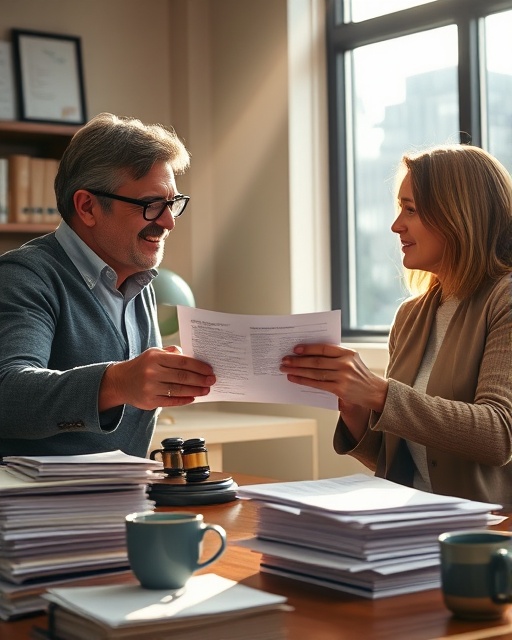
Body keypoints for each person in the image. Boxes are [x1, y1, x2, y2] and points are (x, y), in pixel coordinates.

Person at [280, 144, 512, 506]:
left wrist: (378, 393)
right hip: (413, 519)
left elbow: (498, 435)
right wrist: (356, 409)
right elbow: (402, 461)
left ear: (459, 216)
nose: (396, 225)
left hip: (484, 532)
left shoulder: (505, 299)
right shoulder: (411, 315)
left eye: (411, 210)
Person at [0, 113, 216, 458]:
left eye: (172, 204)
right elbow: (7, 395)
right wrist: (117, 382)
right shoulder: (24, 276)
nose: (168, 222)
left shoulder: (138, 279)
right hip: (39, 507)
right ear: (87, 207)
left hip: (122, 502)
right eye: (151, 205)